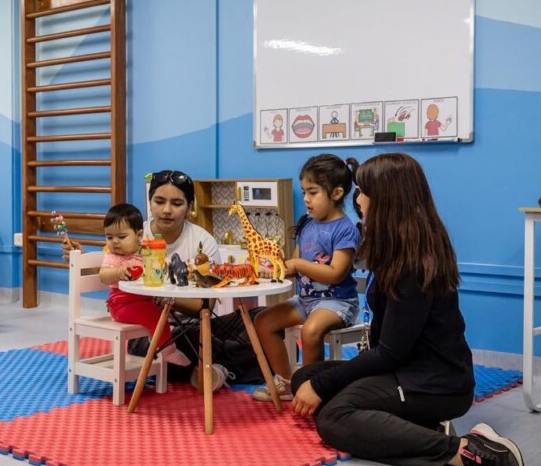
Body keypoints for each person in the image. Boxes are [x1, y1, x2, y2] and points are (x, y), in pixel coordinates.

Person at [289, 153, 526, 466]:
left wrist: (328, 386)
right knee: (305, 377)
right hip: (400, 369)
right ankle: (419, 427)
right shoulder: (397, 245)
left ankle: (463, 451)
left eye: (363, 192)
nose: (358, 200)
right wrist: (321, 382)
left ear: (387, 198)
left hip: (434, 382)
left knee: (333, 418)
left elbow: (390, 352)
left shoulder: (413, 262)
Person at [62, 169, 230, 389]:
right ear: (150, 202)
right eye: (159, 201)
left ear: (190, 207)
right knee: (156, 345)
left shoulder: (202, 242)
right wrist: (79, 259)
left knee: (238, 329)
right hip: (147, 328)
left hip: (192, 324)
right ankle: (207, 371)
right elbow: (107, 268)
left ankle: (201, 370)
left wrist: (165, 298)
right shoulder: (132, 236)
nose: (167, 210)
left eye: (177, 203)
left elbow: (204, 306)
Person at [251, 154, 360, 402]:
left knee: (310, 331)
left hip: (338, 302)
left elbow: (335, 274)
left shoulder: (345, 229)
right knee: (263, 321)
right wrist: (272, 267)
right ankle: (287, 382)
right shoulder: (307, 225)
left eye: (313, 192)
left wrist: (299, 264)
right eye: (304, 192)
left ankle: (312, 389)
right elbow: (292, 267)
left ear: (336, 193)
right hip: (306, 301)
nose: (306, 199)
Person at [99, 203, 189, 366]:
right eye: (109, 237)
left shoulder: (145, 252)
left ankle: (159, 344)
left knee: (165, 311)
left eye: (121, 237)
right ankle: (168, 351)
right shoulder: (112, 256)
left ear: (139, 235)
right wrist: (118, 271)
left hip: (144, 301)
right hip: (121, 305)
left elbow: (158, 267)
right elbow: (103, 276)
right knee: (155, 315)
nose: (115, 242)